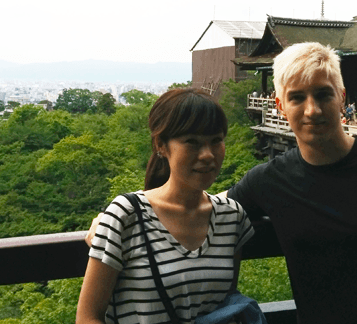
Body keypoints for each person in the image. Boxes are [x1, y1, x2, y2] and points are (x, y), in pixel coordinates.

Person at [87, 43, 357, 324]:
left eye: (323, 94)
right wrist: (118, 221)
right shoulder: (269, 180)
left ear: (342, 98)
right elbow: (203, 206)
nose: (311, 109)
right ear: (280, 106)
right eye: (297, 98)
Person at [77, 89, 255, 324]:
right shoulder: (126, 214)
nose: (207, 154)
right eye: (192, 142)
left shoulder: (232, 217)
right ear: (161, 145)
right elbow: (88, 317)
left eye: (216, 141)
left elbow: (223, 306)